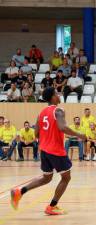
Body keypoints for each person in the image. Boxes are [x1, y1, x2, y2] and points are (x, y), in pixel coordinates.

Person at [10, 87, 86, 215]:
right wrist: (80, 135)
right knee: (66, 178)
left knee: (46, 178)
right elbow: (63, 127)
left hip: (44, 150)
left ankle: (19, 192)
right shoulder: (59, 110)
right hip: (55, 150)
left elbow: (36, 133)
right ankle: (52, 206)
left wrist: (47, 138)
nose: (59, 95)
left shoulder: (41, 112)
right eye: (57, 93)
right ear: (52, 97)